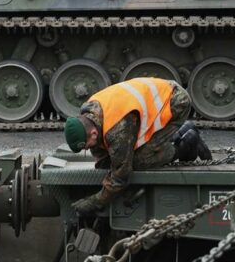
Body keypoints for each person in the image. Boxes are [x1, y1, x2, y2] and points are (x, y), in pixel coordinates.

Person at [63, 77, 212, 215]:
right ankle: (184, 131)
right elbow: (104, 158)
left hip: (175, 102)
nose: (88, 149)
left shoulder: (116, 128)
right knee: (135, 150)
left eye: (86, 146)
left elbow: (121, 177)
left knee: (140, 160)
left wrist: (94, 202)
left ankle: (187, 144)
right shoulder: (91, 112)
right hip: (162, 94)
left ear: (93, 133)